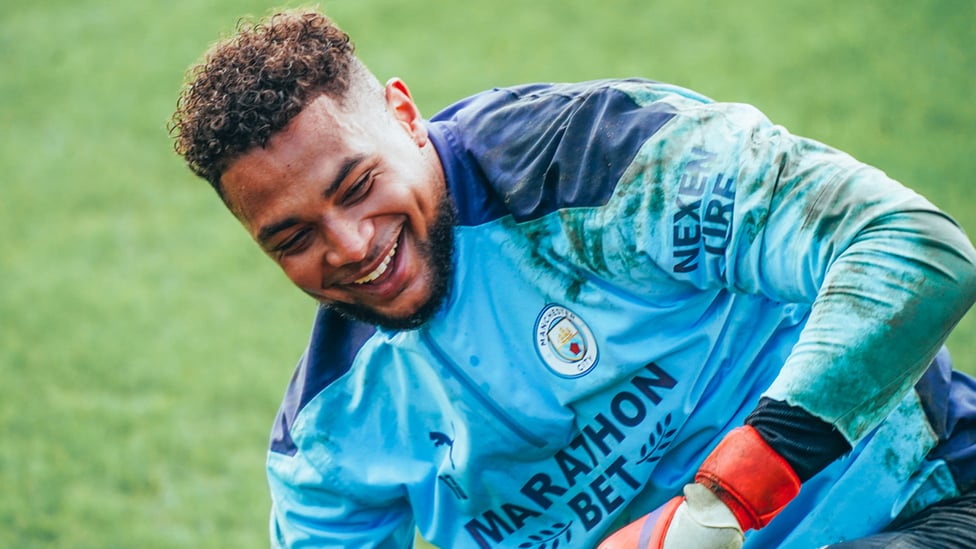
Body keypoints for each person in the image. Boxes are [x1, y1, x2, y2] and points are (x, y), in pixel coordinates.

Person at [169, 8, 976, 548]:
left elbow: (916, 249)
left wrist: (718, 507)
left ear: (407, 116)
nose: (347, 245)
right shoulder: (331, 441)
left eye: (356, 186)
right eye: (292, 237)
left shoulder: (604, 166)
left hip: (925, 503)